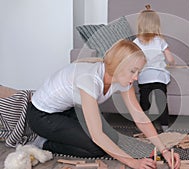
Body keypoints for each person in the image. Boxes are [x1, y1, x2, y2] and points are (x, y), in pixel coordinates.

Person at [26, 39, 180, 169]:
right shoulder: (89, 79)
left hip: (68, 110)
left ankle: (60, 134)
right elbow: (97, 136)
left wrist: (164, 150)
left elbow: (139, 117)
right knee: (96, 147)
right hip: (42, 116)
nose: (136, 78)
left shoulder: (122, 80)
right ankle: (44, 143)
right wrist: (133, 163)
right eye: (133, 71)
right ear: (119, 65)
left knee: (112, 140)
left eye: (138, 72)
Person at [133, 5, 175, 131]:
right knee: (161, 101)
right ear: (156, 25)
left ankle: (144, 125)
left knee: (144, 101)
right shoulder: (160, 41)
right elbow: (170, 59)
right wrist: (172, 63)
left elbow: (134, 60)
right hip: (159, 77)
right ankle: (164, 125)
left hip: (144, 77)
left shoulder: (136, 42)